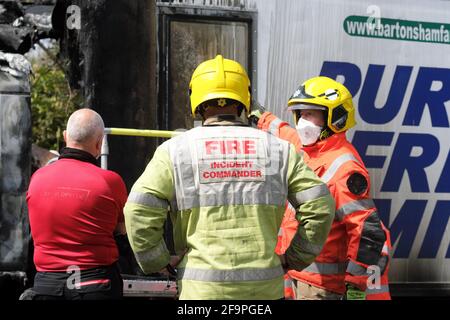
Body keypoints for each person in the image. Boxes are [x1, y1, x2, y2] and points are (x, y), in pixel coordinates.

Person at [124, 55, 335, 300]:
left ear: (197, 99)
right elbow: (320, 207)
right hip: (264, 293)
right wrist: (294, 258)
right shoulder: (280, 150)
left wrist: (159, 262)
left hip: (201, 294)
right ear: (243, 99)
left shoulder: (174, 151)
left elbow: (138, 210)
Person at [250, 76, 392, 300]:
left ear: (334, 118)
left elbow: (367, 230)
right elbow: (284, 131)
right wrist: (258, 115)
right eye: (300, 114)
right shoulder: (309, 148)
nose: (302, 122)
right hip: (297, 277)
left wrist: (355, 284)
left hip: (322, 288)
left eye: (310, 114)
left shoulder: (346, 168)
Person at [26, 108, 127, 300]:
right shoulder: (110, 182)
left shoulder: (37, 179)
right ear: (99, 143)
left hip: (47, 286)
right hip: (95, 285)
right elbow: (122, 230)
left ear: (65, 137)